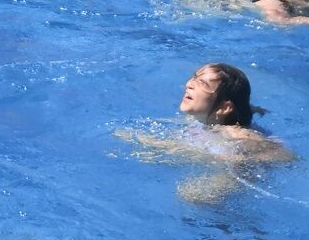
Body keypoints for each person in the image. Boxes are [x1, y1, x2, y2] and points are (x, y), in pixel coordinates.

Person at [114, 64, 295, 204]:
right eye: (194, 77)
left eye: (202, 84)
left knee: (194, 196)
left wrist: (242, 160)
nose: (189, 84)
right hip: (219, 136)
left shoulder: (235, 133)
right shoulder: (203, 120)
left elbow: (285, 156)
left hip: (240, 170)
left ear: (224, 108)